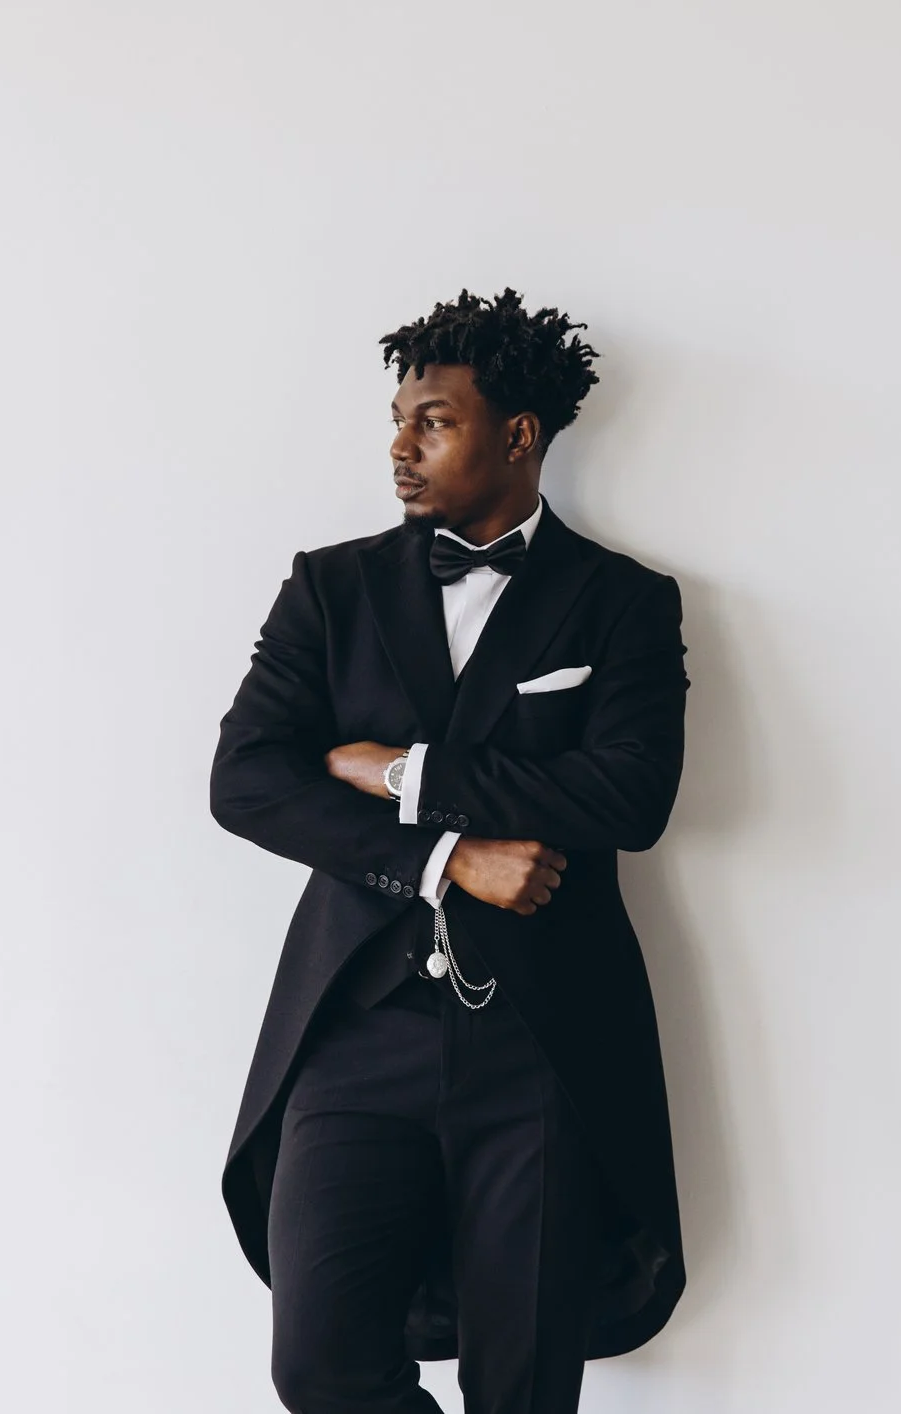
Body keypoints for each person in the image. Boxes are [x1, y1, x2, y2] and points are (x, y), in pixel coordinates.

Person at [210, 288, 689, 1414]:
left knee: (521, 1388)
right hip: (357, 1027)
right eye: (397, 418)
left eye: (432, 419)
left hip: (541, 1044)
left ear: (517, 435)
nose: (399, 445)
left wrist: (399, 771)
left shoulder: (620, 602)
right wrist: (443, 860)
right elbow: (246, 782)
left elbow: (629, 792)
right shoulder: (330, 588)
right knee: (320, 1365)